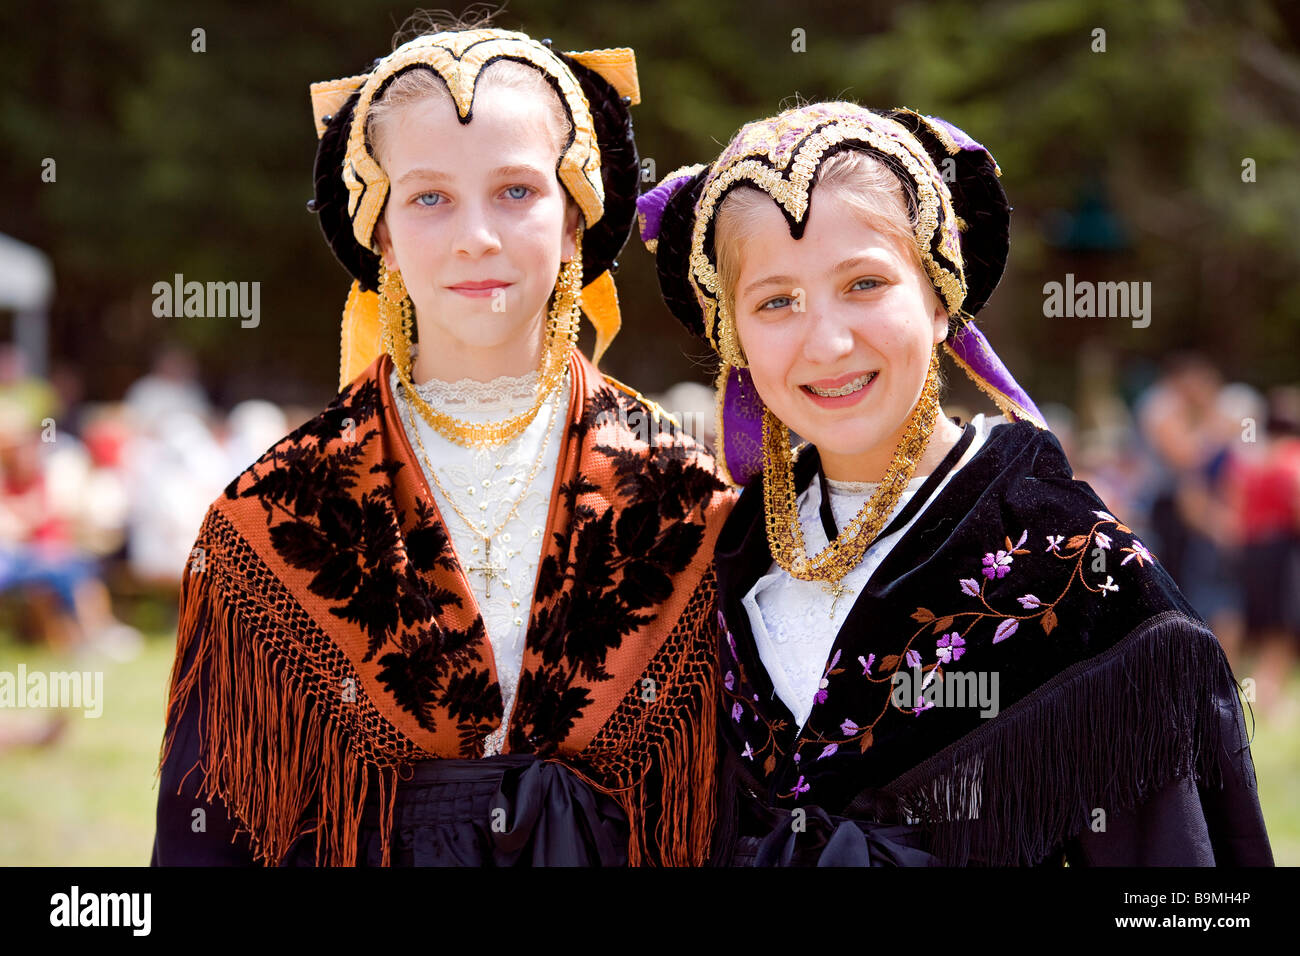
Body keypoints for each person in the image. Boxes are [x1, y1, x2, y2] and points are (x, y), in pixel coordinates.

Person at [152, 19, 733, 867]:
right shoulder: (269, 517)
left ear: (577, 213)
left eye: (516, 191)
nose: (477, 237)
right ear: (378, 228)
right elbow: (208, 842)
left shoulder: (687, 498)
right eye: (429, 197)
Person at [637, 101, 1273, 866]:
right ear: (732, 334)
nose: (828, 341)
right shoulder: (717, 564)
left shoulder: (1079, 576)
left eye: (865, 284)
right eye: (777, 301)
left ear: (940, 296)